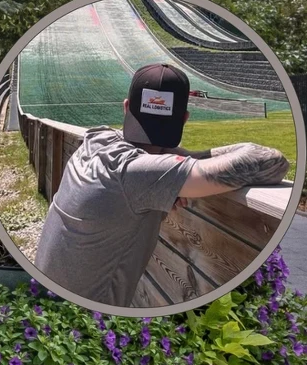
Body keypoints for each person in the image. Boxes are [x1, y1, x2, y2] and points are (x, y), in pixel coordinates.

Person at [34, 63, 290, 307]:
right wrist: (172, 176)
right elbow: (273, 161)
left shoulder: (98, 139)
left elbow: (171, 162)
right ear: (184, 119)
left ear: (126, 108)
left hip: (41, 298)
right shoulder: (139, 174)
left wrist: (171, 180)